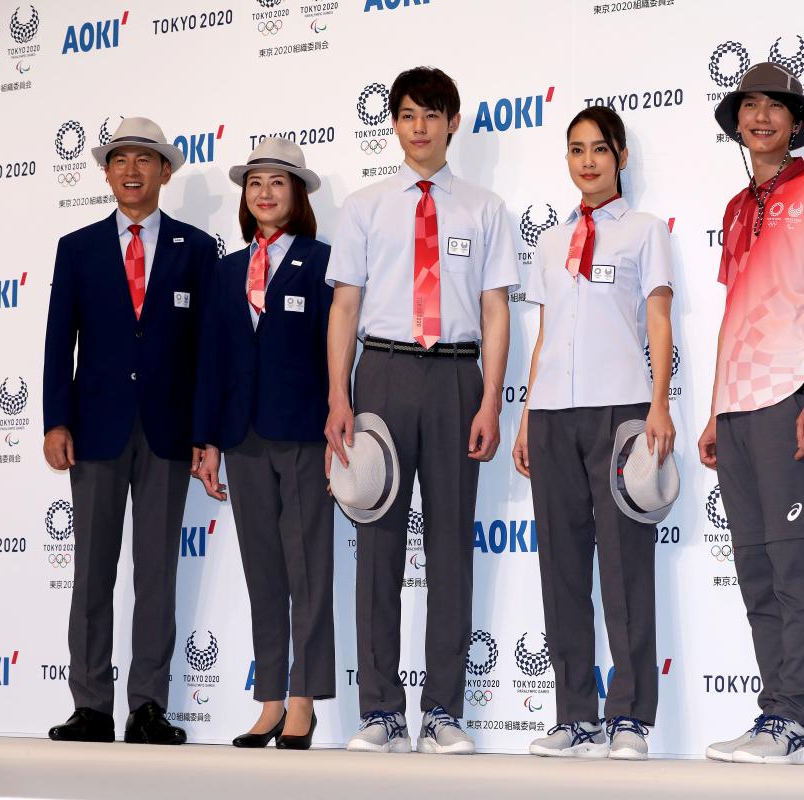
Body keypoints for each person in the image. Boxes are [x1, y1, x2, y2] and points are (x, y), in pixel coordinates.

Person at [324, 66, 518, 755]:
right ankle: (378, 711)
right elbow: (344, 305)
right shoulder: (366, 206)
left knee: (450, 549)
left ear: (454, 122)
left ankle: (442, 710)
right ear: (395, 124)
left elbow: (496, 311)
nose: (421, 126)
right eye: (408, 114)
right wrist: (340, 394)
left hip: (455, 379)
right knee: (376, 549)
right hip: (380, 372)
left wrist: (492, 399)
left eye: (433, 114)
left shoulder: (484, 207)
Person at [699, 64, 804, 765]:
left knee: (793, 565)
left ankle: (795, 721)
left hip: (790, 395)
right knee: (756, 569)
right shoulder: (736, 206)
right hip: (734, 408)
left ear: (796, 122)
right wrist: (711, 410)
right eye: (749, 106)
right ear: (737, 121)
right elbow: (735, 315)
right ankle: (774, 716)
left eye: (776, 107)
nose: (761, 117)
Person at [43, 117, 216, 745]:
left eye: (145, 160)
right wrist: (56, 420)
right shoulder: (77, 248)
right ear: (106, 171)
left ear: (166, 172)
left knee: (156, 576)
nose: (132, 170)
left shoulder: (196, 250)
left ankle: (148, 705)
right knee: (91, 571)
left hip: (169, 434)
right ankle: (91, 705)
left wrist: (205, 433)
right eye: (120, 160)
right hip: (94, 431)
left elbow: (204, 352)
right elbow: (59, 339)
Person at [512, 106, 676, 762]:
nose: (587, 161)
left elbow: (657, 322)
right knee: (560, 570)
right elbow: (546, 335)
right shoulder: (551, 242)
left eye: (599, 150)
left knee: (625, 569)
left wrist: (659, 406)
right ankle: (575, 715)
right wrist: (526, 415)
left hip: (621, 412)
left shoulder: (644, 232)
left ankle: (629, 716)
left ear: (621, 156)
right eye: (576, 150)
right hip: (553, 415)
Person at [192, 138, 334, 750]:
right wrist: (208, 440)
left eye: (278, 181)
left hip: (305, 432)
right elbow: (213, 358)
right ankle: (270, 699)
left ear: (296, 194)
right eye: (255, 183)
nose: (266, 192)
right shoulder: (225, 271)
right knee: (263, 574)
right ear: (245, 197)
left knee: (310, 571)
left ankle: (303, 699)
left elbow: (338, 353)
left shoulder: (324, 260)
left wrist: (338, 421)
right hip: (243, 436)